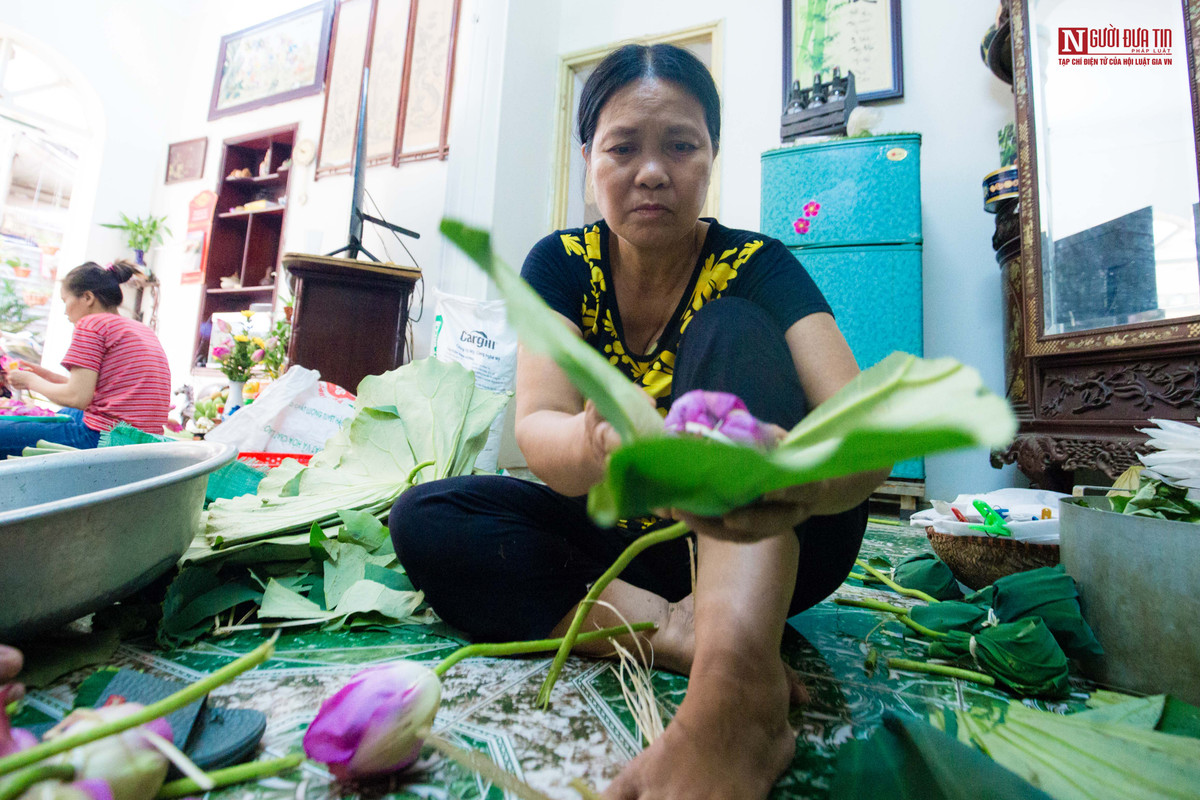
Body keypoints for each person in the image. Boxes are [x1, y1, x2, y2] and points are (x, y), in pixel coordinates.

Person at [390, 43, 888, 800]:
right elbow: (540, 426)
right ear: (591, 159)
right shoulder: (560, 265)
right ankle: (677, 631)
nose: (651, 172)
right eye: (623, 147)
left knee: (732, 328)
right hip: (634, 545)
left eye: (680, 146)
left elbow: (867, 436)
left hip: (771, 531)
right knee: (429, 516)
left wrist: (793, 467)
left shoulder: (757, 263)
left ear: (710, 156)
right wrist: (596, 445)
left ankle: (733, 699)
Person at [0, 261, 171, 459]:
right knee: (51, 417)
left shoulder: (92, 324)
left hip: (103, 438)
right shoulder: (138, 328)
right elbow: (96, 392)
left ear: (88, 297)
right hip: (138, 440)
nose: (65, 311)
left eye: (66, 301)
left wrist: (30, 381)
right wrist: (44, 376)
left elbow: (78, 398)